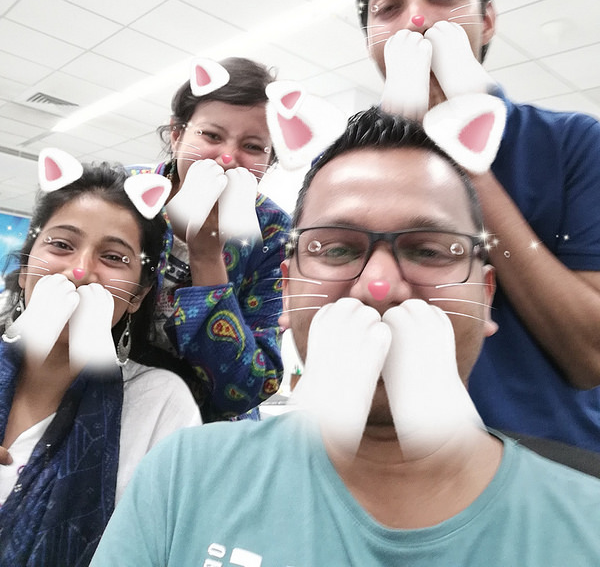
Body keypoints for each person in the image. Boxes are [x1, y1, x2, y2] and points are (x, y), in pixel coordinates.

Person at [90, 108, 600, 567]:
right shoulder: (182, 475)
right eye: (336, 249)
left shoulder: (586, 525)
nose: (379, 287)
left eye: (428, 250)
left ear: (485, 296)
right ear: (288, 290)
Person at [353, 0, 600, 451]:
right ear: (371, 38)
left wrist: (463, 158)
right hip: (390, 464)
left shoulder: (576, 144)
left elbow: (590, 357)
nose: (416, 20)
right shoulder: (348, 169)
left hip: (552, 465)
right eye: (387, 7)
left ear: (486, 20)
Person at [0, 162, 201, 567]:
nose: (80, 271)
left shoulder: (159, 403)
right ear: (25, 269)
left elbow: (176, 545)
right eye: (61, 245)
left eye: (113, 257)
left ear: (137, 296)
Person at [133, 56, 290, 422]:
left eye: (253, 146)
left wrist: (207, 258)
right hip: (102, 411)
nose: (227, 157)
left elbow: (249, 387)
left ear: (269, 161)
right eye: (211, 135)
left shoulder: (272, 232)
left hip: (206, 430)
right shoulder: (126, 195)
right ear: (177, 135)